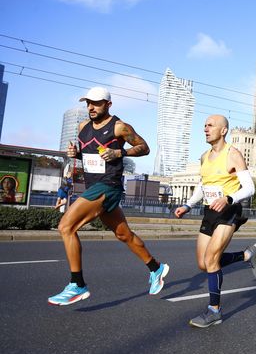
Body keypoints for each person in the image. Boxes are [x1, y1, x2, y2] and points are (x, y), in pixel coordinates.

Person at [48, 86, 169, 306]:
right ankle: (156, 267)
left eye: (96, 103)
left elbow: (145, 147)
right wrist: (75, 157)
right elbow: (85, 158)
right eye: (88, 103)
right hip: (92, 186)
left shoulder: (119, 127)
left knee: (66, 227)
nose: (90, 107)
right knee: (124, 235)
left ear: (108, 104)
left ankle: (77, 284)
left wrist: (119, 152)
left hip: (108, 187)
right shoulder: (83, 126)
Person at [174, 114, 256, 328]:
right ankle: (248, 254)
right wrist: (188, 205)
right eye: (204, 125)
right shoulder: (204, 156)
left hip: (230, 210)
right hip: (210, 211)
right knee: (204, 264)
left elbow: (250, 188)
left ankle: (214, 311)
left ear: (223, 130)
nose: (205, 128)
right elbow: (202, 185)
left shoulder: (233, 154)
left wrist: (229, 198)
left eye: (210, 125)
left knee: (212, 260)